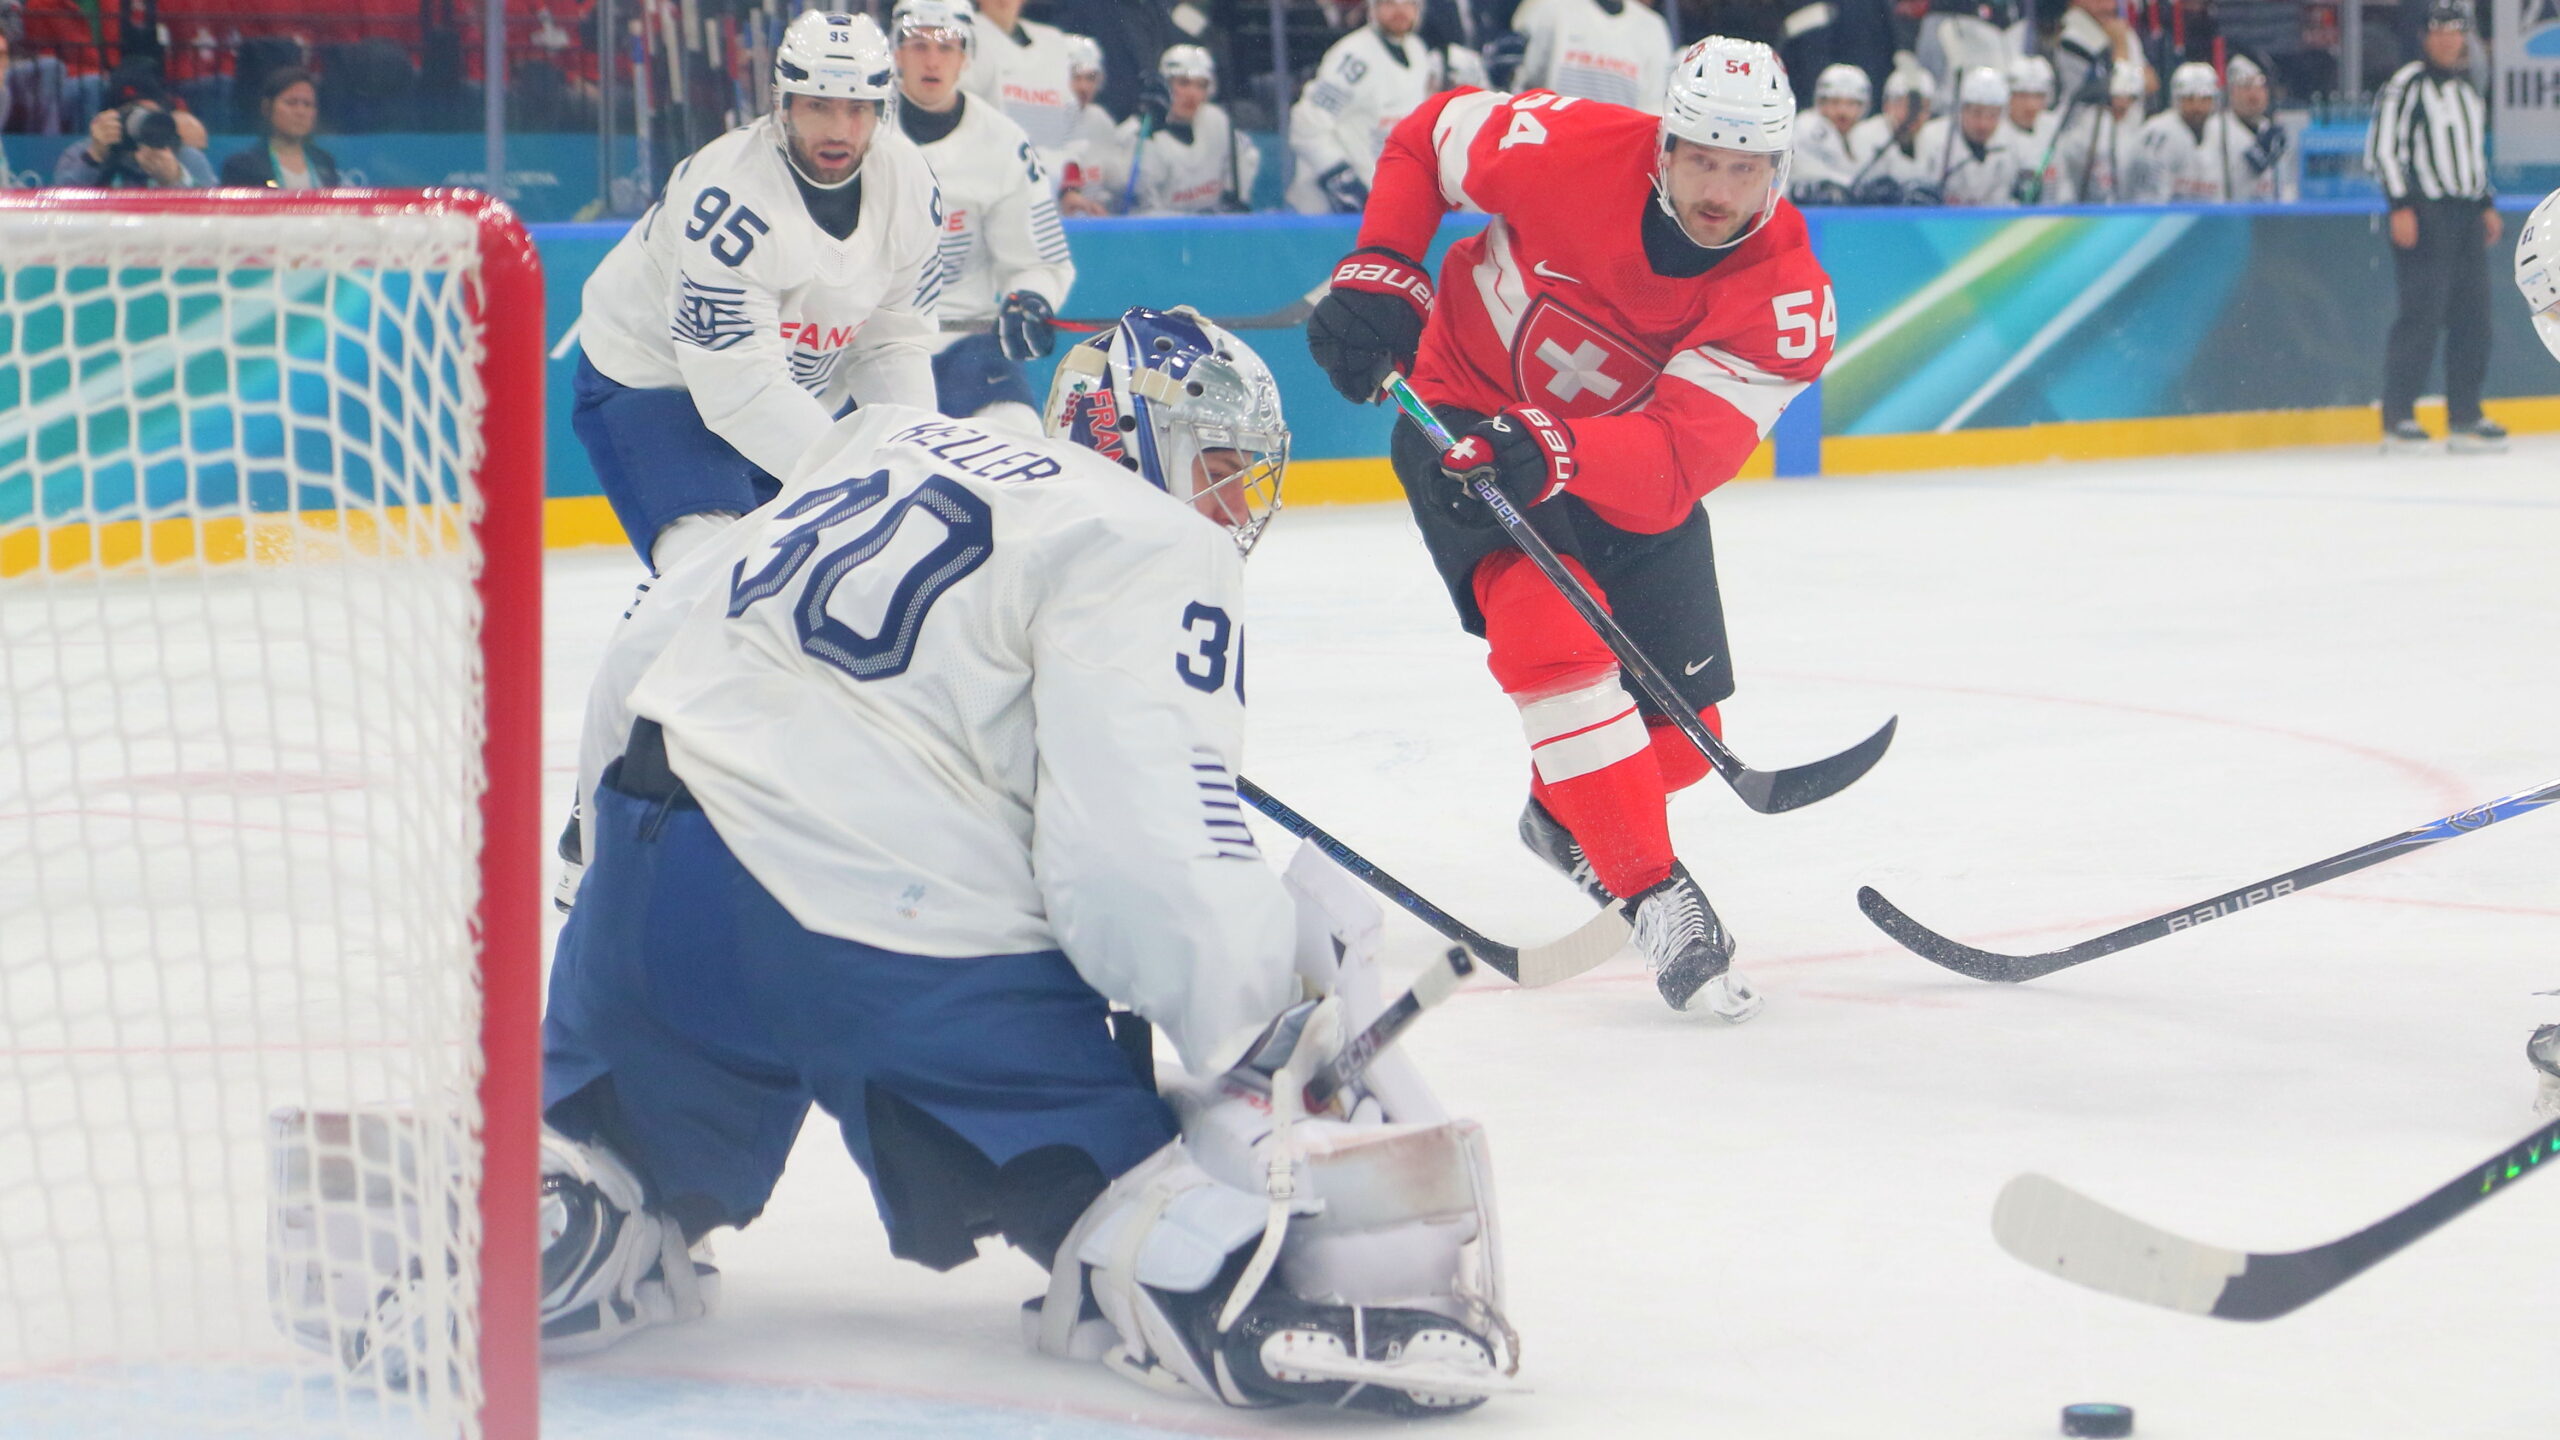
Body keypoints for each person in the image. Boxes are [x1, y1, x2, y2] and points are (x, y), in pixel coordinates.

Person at [537, 304, 1516, 1414]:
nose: (1234, 507)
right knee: (1114, 1178)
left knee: (621, 1148)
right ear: (1138, 436)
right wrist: (1254, 1029)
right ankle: (1215, 1283)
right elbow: (1142, 853)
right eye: (1220, 471)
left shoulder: (879, 440)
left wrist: (605, 877)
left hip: (656, 881)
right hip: (880, 923)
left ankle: (573, 1208)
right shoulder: (1153, 541)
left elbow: (646, 643)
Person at [1303, 36, 1839, 1020]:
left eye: (1746, 168)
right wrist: (1383, 263)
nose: (1721, 192)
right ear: (1664, 147)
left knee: (1683, 740)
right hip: (1462, 410)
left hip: (1616, 469)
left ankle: (1564, 821)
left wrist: (1557, 444)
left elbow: (1675, 464)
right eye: (1702, 161)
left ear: (1780, 166)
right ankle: (1653, 893)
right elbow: (1426, 138)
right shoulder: (1564, 145)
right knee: (1555, 636)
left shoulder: (1787, 297)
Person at [570, 12, 943, 574]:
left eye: (856, 109)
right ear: (783, 105)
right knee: (710, 573)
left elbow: (891, 344)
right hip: (652, 380)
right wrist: (862, 481)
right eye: (818, 106)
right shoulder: (730, 197)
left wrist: (917, 465)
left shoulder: (909, 184)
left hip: (786, 393)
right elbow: (739, 388)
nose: (839, 130)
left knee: (820, 580)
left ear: (881, 110)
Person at [890, 0, 1075, 434]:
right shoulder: (860, 127)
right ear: (896, 53)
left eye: (946, 47)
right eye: (918, 46)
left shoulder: (1003, 143)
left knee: (1019, 433)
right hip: (869, 341)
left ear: (966, 57)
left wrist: (1030, 299)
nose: (932, 61)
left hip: (967, 344)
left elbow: (1037, 261)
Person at [2370, 1, 2502, 452]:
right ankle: (2398, 416)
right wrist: (2400, 205)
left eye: (2455, 31)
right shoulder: (2406, 84)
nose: (2448, 40)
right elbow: (2385, 149)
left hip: (2465, 215)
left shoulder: (2467, 90)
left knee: (2474, 318)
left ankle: (2464, 415)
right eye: (2439, 31)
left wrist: (2485, 202)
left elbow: (2472, 154)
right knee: (2421, 316)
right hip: (2426, 212)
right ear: (2425, 37)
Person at [1286, 0, 1452, 215]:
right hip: (1333, 210)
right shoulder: (1353, 56)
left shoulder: (1417, 50)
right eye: (1390, 3)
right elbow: (1307, 122)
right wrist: (1340, 179)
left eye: (1408, 3)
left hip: (1387, 201)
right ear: (1373, 8)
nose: (1400, 11)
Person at [1100, 45, 1257, 214]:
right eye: (1183, 83)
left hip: (1206, 227)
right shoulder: (1137, 132)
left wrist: (1233, 196)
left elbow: (1246, 154)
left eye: (1201, 85)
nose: (1192, 94)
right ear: (1164, 85)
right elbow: (1138, 207)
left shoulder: (1216, 120)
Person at [962, 0, 1083, 178]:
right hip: (993, 177)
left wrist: (1069, 182)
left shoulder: (1054, 42)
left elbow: (1071, 126)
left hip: (1053, 181)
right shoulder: (962, 38)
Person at [1512, 0, 1675, 113]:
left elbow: (1651, 111)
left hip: (1617, 147)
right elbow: (1517, 88)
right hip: (1550, 140)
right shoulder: (1546, 7)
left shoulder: (1653, 28)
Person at [55, 86, 214, 188]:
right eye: (131, 111)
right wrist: (94, 158)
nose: (143, 122)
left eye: (150, 115)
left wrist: (175, 180)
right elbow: (60, 210)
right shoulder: (82, 152)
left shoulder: (185, 155)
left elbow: (212, 214)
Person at [1913, 65, 2024, 207]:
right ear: (1961, 109)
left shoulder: (2008, 143)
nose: (1983, 124)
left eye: (1993, 115)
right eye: (1976, 113)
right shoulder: (1932, 137)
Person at [218, 66, 341, 190]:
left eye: (308, 104)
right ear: (267, 107)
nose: (301, 112)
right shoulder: (242, 167)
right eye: (291, 103)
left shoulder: (325, 162)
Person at [2125, 61, 2223, 204]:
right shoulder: (2158, 134)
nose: (2197, 107)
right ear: (2176, 99)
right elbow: (2149, 201)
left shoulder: (2221, 132)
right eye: (2189, 98)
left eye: (2205, 99)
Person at [1847, 61, 1934, 204]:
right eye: (1907, 106)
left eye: (1922, 108)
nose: (1913, 115)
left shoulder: (1936, 139)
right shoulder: (1864, 135)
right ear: (1887, 105)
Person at [1789, 63, 1874, 205]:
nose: (1842, 112)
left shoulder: (1868, 134)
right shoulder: (1807, 126)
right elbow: (1808, 173)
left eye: (1851, 104)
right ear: (1820, 102)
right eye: (1835, 102)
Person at [1057, 34, 1123, 215]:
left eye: (1090, 78)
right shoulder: (1039, 122)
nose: (1083, 87)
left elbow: (1116, 183)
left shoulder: (1100, 120)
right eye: (1075, 77)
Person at [2216, 55, 2293, 204]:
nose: (2254, 95)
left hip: (2270, 214)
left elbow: (2286, 185)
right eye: (2245, 87)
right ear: (2231, 93)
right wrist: (2254, 160)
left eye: (2259, 87)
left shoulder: (2272, 132)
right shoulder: (2216, 128)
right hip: (2230, 214)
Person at [2003, 53, 2061, 201]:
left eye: (2038, 96)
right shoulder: (1994, 134)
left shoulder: (2056, 129)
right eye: (2022, 95)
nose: (2031, 105)